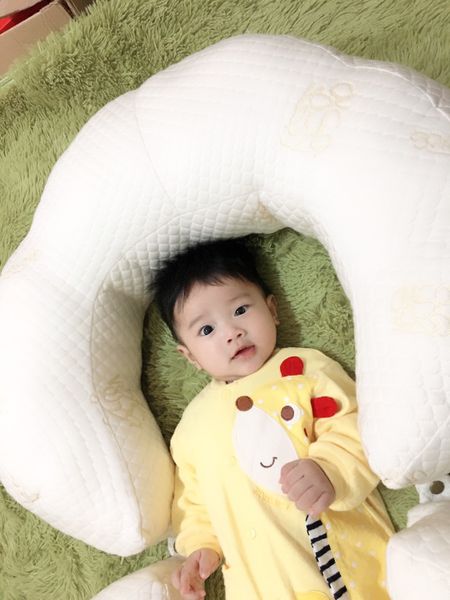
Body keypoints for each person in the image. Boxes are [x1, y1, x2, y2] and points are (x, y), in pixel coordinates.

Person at [152, 237, 394, 600]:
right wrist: (200, 548)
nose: (232, 333)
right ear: (190, 357)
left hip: (343, 567)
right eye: (207, 330)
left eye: (240, 310)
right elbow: (195, 502)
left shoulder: (305, 370)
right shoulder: (190, 431)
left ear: (272, 310)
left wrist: (329, 468)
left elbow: (355, 425)